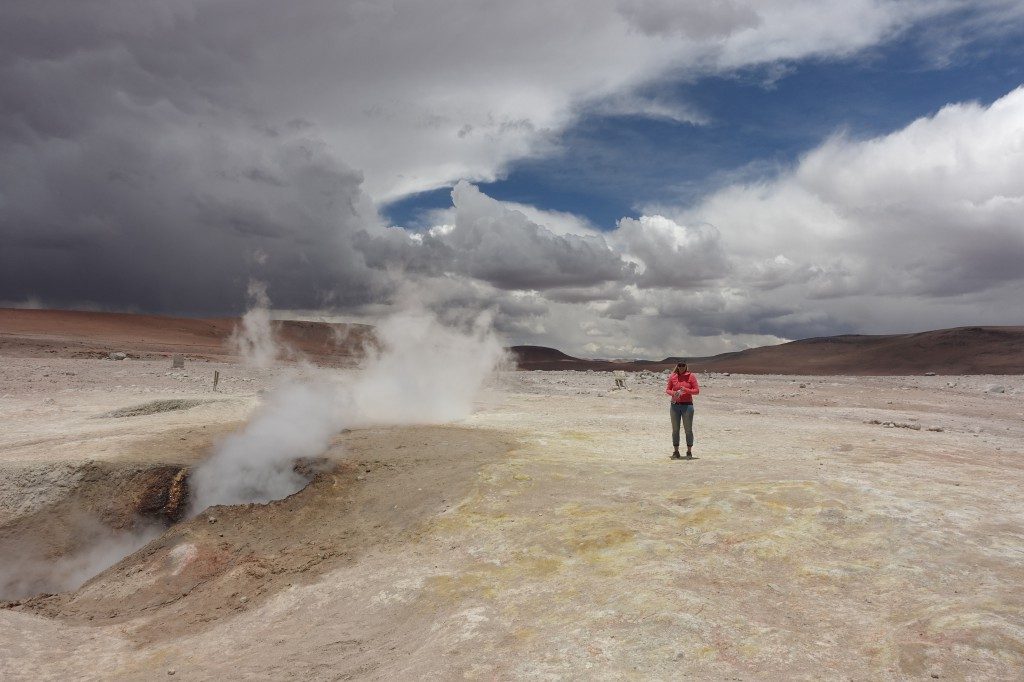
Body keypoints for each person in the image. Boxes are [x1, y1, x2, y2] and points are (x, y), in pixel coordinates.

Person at [665, 362, 700, 459]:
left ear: (686, 366)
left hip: (687, 406)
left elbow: (697, 391)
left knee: (688, 430)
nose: (681, 367)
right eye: (679, 365)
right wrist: (673, 393)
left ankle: (689, 452)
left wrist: (686, 390)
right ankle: (676, 451)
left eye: (683, 365)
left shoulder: (691, 376)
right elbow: (667, 389)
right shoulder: (673, 376)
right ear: (677, 366)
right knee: (675, 430)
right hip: (675, 406)